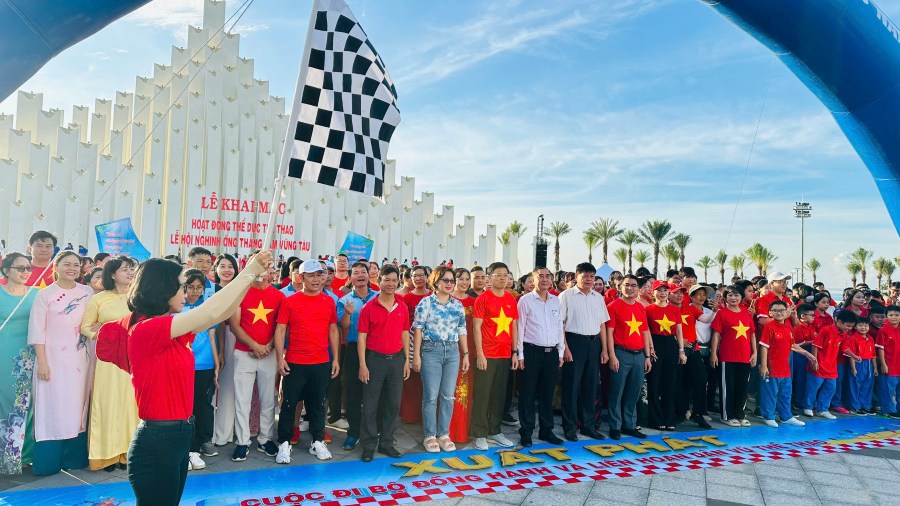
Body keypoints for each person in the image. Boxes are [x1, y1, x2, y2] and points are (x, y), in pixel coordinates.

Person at [119, 251, 269, 505]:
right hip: (159, 440)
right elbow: (209, 312)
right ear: (162, 289)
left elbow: (221, 312)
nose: (185, 292)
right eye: (180, 286)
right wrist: (249, 271)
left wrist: (250, 276)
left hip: (177, 435)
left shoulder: (170, 327)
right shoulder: (150, 329)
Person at [28, 251, 92, 475]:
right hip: (52, 360)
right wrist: (43, 363)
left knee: (77, 407)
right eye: (67, 264)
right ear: (57, 267)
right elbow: (37, 331)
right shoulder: (45, 294)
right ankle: (48, 463)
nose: (72, 268)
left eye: (76, 264)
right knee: (51, 406)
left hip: (80, 361)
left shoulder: (87, 292)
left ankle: (73, 458)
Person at [273, 260, 340, 463]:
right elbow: (280, 329)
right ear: (301, 277)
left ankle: (317, 441)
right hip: (295, 361)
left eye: (320, 275)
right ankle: (284, 443)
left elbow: (333, 330)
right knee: (289, 404)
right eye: (311, 275)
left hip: (321, 361)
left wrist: (336, 358)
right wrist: (279, 358)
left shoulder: (329, 301)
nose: (316, 279)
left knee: (318, 405)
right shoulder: (290, 301)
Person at [80, 256, 138, 471]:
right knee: (107, 404)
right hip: (108, 361)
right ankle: (106, 455)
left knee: (131, 404)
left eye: (132, 269)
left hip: (135, 359)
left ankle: (128, 453)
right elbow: (85, 327)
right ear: (112, 274)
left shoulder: (139, 298)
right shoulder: (98, 299)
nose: (130, 273)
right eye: (125, 269)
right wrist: (104, 335)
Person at [229, 261, 284, 462]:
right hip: (244, 353)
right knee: (242, 400)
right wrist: (254, 345)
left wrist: (267, 346)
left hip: (268, 355)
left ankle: (265, 439)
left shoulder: (278, 296)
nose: (263, 272)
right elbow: (235, 326)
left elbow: (280, 326)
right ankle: (242, 442)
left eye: (267, 267)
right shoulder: (241, 293)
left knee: (268, 399)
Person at [357, 264, 410, 462]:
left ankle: (386, 443)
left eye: (394, 280)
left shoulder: (402, 306)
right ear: (378, 281)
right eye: (386, 280)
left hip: (396, 361)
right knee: (370, 405)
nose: (390, 284)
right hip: (374, 361)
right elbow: (362, 338)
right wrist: (363, 365)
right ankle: (369, 445)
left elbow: (405, 333)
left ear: (398, 282)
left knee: (392, 404)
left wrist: (406, 360)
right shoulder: (369, 307)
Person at [413, 266, 468, 452]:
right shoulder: (426, 303)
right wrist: (416, 356)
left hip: (452, 352)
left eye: (452, 280)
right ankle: (430, 435)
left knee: (448, 395)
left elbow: (462, 330)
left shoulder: (457, 305)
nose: (450, 284)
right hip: (431, 351)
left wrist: (465, 354)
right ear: (435, 282)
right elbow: (418, 330)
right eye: (446, 280)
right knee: (430, 396)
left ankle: (443, 433)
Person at [471, 262, 520, 450]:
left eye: (505, 275)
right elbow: (476, 327)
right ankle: (479, 433)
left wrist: (514, 352)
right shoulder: (483, 299)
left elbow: (513, 326)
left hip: (505, 354)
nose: (502, 278)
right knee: (483, 394)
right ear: (489, 277)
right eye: (498, 275)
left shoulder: (511, 299)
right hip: (487, 354)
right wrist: (480, 354)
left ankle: (495, 430)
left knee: (500, 395)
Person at [559, 262, 609, 440]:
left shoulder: (598, 297)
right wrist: (565, 347)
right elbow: (560, 325)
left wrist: (604, 349)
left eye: (592, 277)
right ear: (576, 276)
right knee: (571, 387)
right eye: (585, 276)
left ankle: (588, 426)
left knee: (591, 387)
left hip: (594, 344)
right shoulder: (566, 296)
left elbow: (602, 324)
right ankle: (570, 427)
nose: (589, 280)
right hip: (574, 343)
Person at [516, 267, 564, 447]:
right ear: (533, 280)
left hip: (551, 353)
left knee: (547, 393)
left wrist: (560, 351)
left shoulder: (555, 301)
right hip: (531, 352)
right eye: (540, 276)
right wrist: (520, 354)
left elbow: (559, 326)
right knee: (527, 393)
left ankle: (546, 430)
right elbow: (520, 329)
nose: (544, 279)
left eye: (547, 276)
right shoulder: (525, 301)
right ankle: (526, 431)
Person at [0, 253, 38, 475]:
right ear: (6, 270)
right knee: (6, 403)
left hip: (31, 355)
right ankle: (6, 456)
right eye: (20, 268)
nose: (25, 272)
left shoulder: (37, 295)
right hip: (5, 354)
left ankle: (25, 455)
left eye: (28, 268)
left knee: (28, 404)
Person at [181, 269, 220, 470]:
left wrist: (216, 365)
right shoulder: (176, 308)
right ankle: (187, 447)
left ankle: (201, 442)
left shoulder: (208, 308)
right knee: (184, 406)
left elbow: (212, 337)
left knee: (202, 404)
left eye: (199, 287)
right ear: (183, 287)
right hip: (182, 364)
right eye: (191, 287)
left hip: (204, 364)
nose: (195, 292)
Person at [605, 274, 652, 440]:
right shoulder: (613, 306)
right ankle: (615, 426)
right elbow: (609, 333)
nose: (630, 288)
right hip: (621, 353)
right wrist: (612, 356)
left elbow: (645, 332)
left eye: (633, 285)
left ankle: (629, 425)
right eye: (627, 285)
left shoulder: (640, 307)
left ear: (638, 289)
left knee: (634, 392)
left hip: (639, 355)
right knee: (616, 392)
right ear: (620, 287)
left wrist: (647, 356)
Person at [338, 262, 378, 450]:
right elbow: (343, 327)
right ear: (350, 277)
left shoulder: (379, 297)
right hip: (353, 349)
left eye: (364, 272)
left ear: (370, 275)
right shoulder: (344, 300)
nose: (360, 275)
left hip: (376, 350)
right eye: (356, 273)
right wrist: (346, 314)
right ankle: (353, 433)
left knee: (375, 392)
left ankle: (373, 431)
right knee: (353, 392)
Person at [758, 300, 812, 427]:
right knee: (770, 393)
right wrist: (764, 366)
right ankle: (768, 416)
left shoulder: (788, 327)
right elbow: (764, 347)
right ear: (770, 313)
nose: (779, 313)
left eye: (782, 310)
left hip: (785, 368)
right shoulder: (769, 326)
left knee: (785, 393)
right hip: (772, 367)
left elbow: (792, 345)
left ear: (786, 311)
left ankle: (786, 416)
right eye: (775, 310)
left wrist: (807, 354)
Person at [710, 285, 756, 427]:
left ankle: (739, 415)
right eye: (730, 295)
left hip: (745, 357)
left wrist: (754, 352)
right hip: (727, 357)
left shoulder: (746, 313)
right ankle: (727, 415)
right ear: (726, 298)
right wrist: (713, 354)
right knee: (727, 387)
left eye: (736, 295)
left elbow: (752, 334)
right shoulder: (722, 313)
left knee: (742, 388)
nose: (733, 298)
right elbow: (716, 335)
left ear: (741, 298)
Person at [804, 310, 857, 419]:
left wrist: (854, 356)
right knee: (813, 388)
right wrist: (814, 361)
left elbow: (845, 348)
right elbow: (815, 346)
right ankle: (808, 407)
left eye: (851, 327)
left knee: (830, 388)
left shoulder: (844, 334)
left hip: (831, 367)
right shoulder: (826, 330)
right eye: (848, 325)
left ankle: (823, 409)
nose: (849, 328)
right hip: (819, 365)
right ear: (839, 321)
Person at [211, 253, 240, 446]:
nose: (227, 269)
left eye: (231, 266)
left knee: (230, 387)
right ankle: (212, 432)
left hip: (236, 339)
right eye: (223, 266)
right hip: (213, 340)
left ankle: (226, 433)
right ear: (216, 269)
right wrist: (220, 349)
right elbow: (217, 323)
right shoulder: (210, 290)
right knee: (214, 388)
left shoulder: (240, 290)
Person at [448, 267, 477, 444]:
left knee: (465, 391)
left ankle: (462, 430)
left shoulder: (475, 302)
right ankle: (447, 431)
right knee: (449, 391)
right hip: (450, 350)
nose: (465, 282)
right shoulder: (447, 300)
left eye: (467, 279)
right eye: (461, 279)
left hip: (469, 350)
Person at [400, 265, 431, 424]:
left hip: (431, 343)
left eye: (421, 275)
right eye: (415, 276)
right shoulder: (406, 299)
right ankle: (410, 415)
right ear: (410, 278)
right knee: (411, 380)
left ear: (427, 277)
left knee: (428, 381)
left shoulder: (434, 296)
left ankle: (426, 415)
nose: (419, 278)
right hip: (411, 342)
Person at [843, 317, 876, 415]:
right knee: (855, 386)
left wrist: (875, 368)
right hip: (858, 363)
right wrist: (853, 368)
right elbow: (851, 355)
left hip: (869, 364)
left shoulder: (870, 338)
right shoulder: (853, 338)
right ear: (855, 327)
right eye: (860, 325)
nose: (863, 328)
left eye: (866, 325)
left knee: (867, 386)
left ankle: (865, 406)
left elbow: (873, 355)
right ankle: (854, 407)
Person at [791, 304, 818, 409]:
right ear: (802, 316)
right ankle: (798, 402)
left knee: (806, 379)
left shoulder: (811, 327)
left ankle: (804, 401)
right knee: (800, 379)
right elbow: (796, 345)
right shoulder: (798, 327)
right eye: (811, 315)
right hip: (799, 355)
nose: (813, 317)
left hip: (808, 354)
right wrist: (813, 341)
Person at [876, 306, 900, 418]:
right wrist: (883, 364)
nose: (894, 317)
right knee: (888, 389)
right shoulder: (883, 330)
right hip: (889, 365)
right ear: (886, 317)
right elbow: (880, 348)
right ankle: (889, 410)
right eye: (891, 315)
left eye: (896, 315)